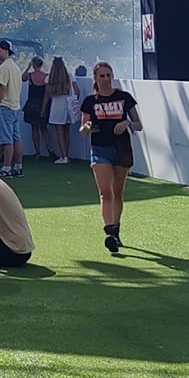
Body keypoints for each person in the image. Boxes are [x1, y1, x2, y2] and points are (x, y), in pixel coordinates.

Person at [81, 62, 140, 254]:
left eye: (108, 75)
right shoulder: (90, 101)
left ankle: (116, 227)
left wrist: (128, 123)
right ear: (95, 79)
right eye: (102, 76)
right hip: (100, 148)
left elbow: (139, 125)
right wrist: (87, 128)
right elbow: (82, 129)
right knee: (105, 192)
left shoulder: (124, 98)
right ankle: (109, 231)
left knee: (117, 192)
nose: (106, 79)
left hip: (121, 147)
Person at [0, 41, 24, 177]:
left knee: (6, 139)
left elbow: (2, 87)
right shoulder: (15, 67)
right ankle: (18, 166)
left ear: (6, 51)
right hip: (15, 105)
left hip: (5, 106)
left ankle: (6, 167)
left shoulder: (4, 67)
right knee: (16, 138)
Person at [43, 58, 74, 164]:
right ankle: (67, 155)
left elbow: (47, 95)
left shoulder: (50, 78)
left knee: (59, 132)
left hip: (57, 105)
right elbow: (77, 91)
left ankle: (63, 156)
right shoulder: (69, 76)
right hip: (68, 103)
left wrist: (43, 109)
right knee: (67, 132)